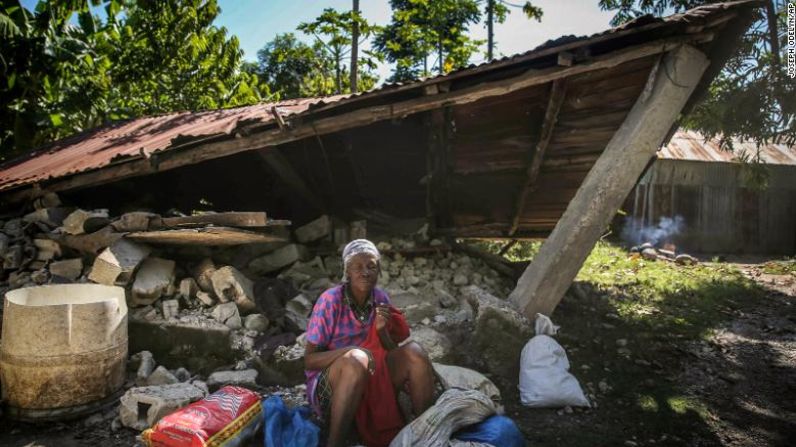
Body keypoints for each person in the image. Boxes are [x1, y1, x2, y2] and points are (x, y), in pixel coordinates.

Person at [304, 239, 435, 447]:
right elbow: (309, 361)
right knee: (356, 359)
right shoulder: (330, 301)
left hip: (373, 377)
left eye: (371, 266)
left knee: (415, 352)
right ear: (347, 271)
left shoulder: (380, 298)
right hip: (334, 383)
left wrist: (382, 331)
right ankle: (335, 442)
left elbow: (390, 351)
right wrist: (349, 351)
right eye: (357, 267)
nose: (365, 272)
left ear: (379, 270)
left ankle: (425, 434)